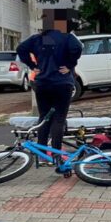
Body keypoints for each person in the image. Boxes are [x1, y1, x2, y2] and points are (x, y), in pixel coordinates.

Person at [16, 18, 83, 157]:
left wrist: (32, 65)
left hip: (43, 84)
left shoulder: (38, 38)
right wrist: (70, 64)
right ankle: (56, 153)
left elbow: (20, 48)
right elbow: (77, 47)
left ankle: (41, 152)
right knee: (58, 119)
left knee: (44, 117)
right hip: (62, 83)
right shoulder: (67, 37)